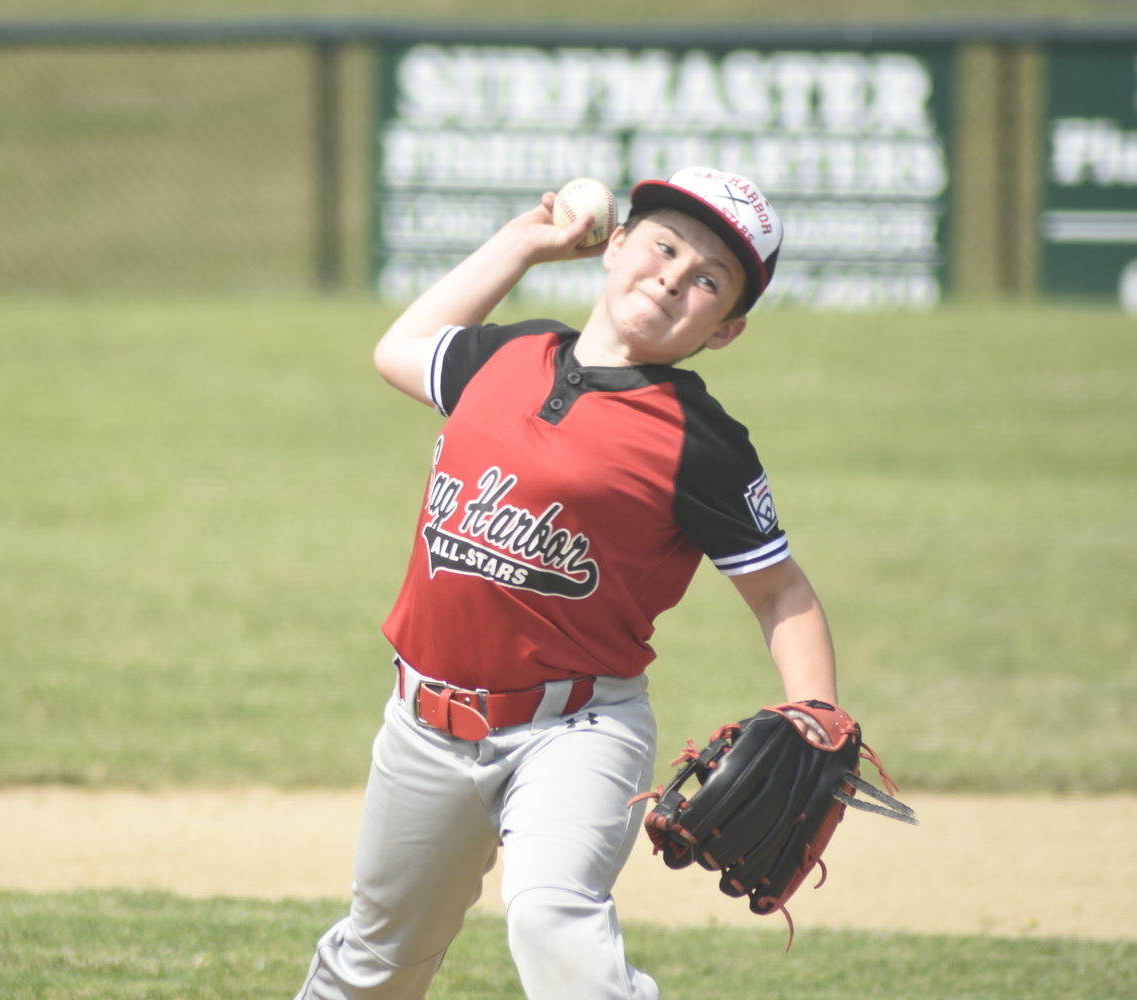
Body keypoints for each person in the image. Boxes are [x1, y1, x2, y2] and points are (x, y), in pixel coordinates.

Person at [293, 167, 837, 1000]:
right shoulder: (508, 355)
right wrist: (525, 242)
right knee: (373, 962)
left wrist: (816, 710)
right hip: (423, 723)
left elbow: (781, 593)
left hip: (577, 728)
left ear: (723, 331)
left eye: (707, 282)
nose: (672, 277)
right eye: (663, 247)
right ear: (615, 247)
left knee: (553, 917)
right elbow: (396, 350)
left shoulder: (700, 443)